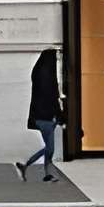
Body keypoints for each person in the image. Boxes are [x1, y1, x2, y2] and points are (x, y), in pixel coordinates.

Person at [23, 47, 64, 182]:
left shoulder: (38, 74)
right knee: (50, 148)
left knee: (48, 147)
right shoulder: (49, 77)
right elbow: (53, 97)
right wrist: (59, 115)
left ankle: (47, 173)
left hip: (39, 116)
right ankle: (28, 165)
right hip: (47, 116)